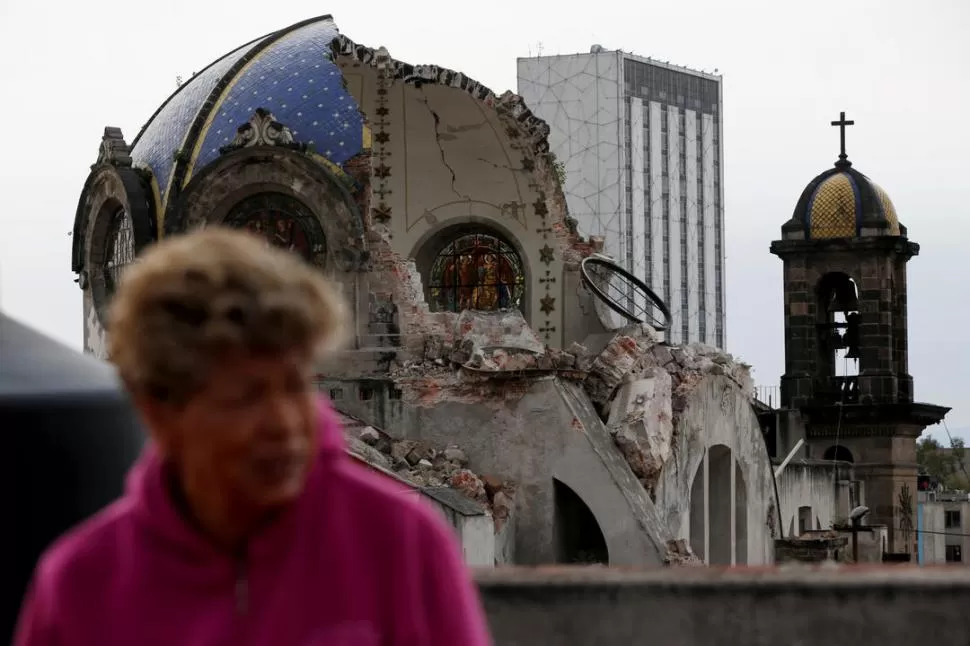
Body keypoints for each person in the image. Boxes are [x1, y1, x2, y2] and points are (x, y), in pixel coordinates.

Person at [14, 228, 492, 646]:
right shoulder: (82, 583)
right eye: (247, 397)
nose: (284, 424)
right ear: (158, 410)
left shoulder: (399, 543)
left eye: (296, 385)